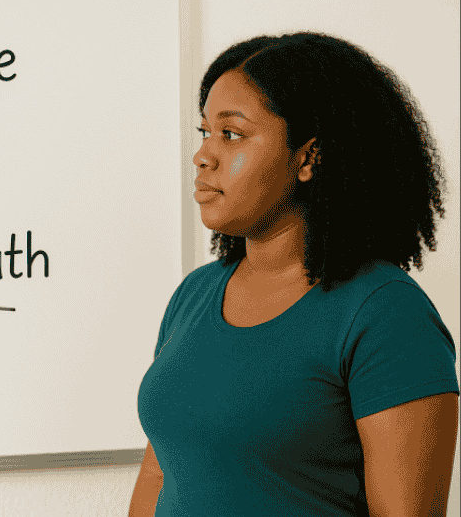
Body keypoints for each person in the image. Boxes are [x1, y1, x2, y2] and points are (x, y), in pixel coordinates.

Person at [129, 32, 459, 517]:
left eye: (233, 133)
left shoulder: (386, 314)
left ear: (308, 156)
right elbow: (160, 473)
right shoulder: (194, 294)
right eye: (205, 132)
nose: (203, 155)